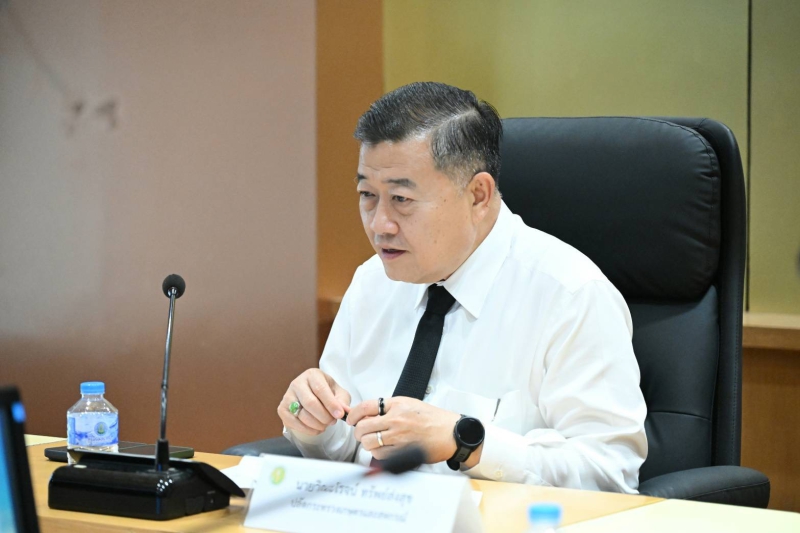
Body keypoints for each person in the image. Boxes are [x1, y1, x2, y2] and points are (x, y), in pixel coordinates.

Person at [278, 82, 647, 493]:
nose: (380, 224)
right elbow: (350, 452)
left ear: (478, 195)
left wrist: (466, 443)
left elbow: (609, 473)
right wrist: (313, 424)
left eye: (401, 199)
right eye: (367, 194)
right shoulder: (372, 281)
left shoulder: (570, 295)